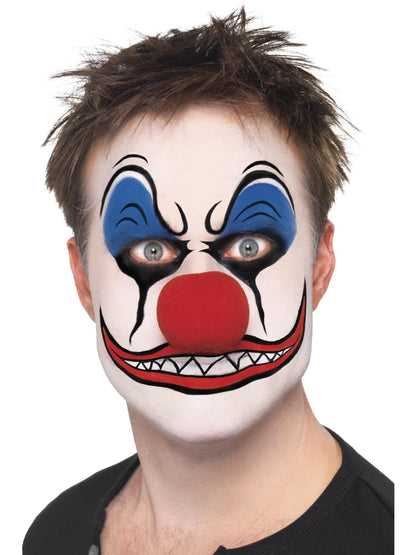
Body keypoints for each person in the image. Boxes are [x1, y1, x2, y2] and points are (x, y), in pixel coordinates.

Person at [23, 10, 393, 555]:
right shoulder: (54, 534)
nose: (200, 316)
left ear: (319, 264)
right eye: (150, 250)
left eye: (249, 246)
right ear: (84, 280)